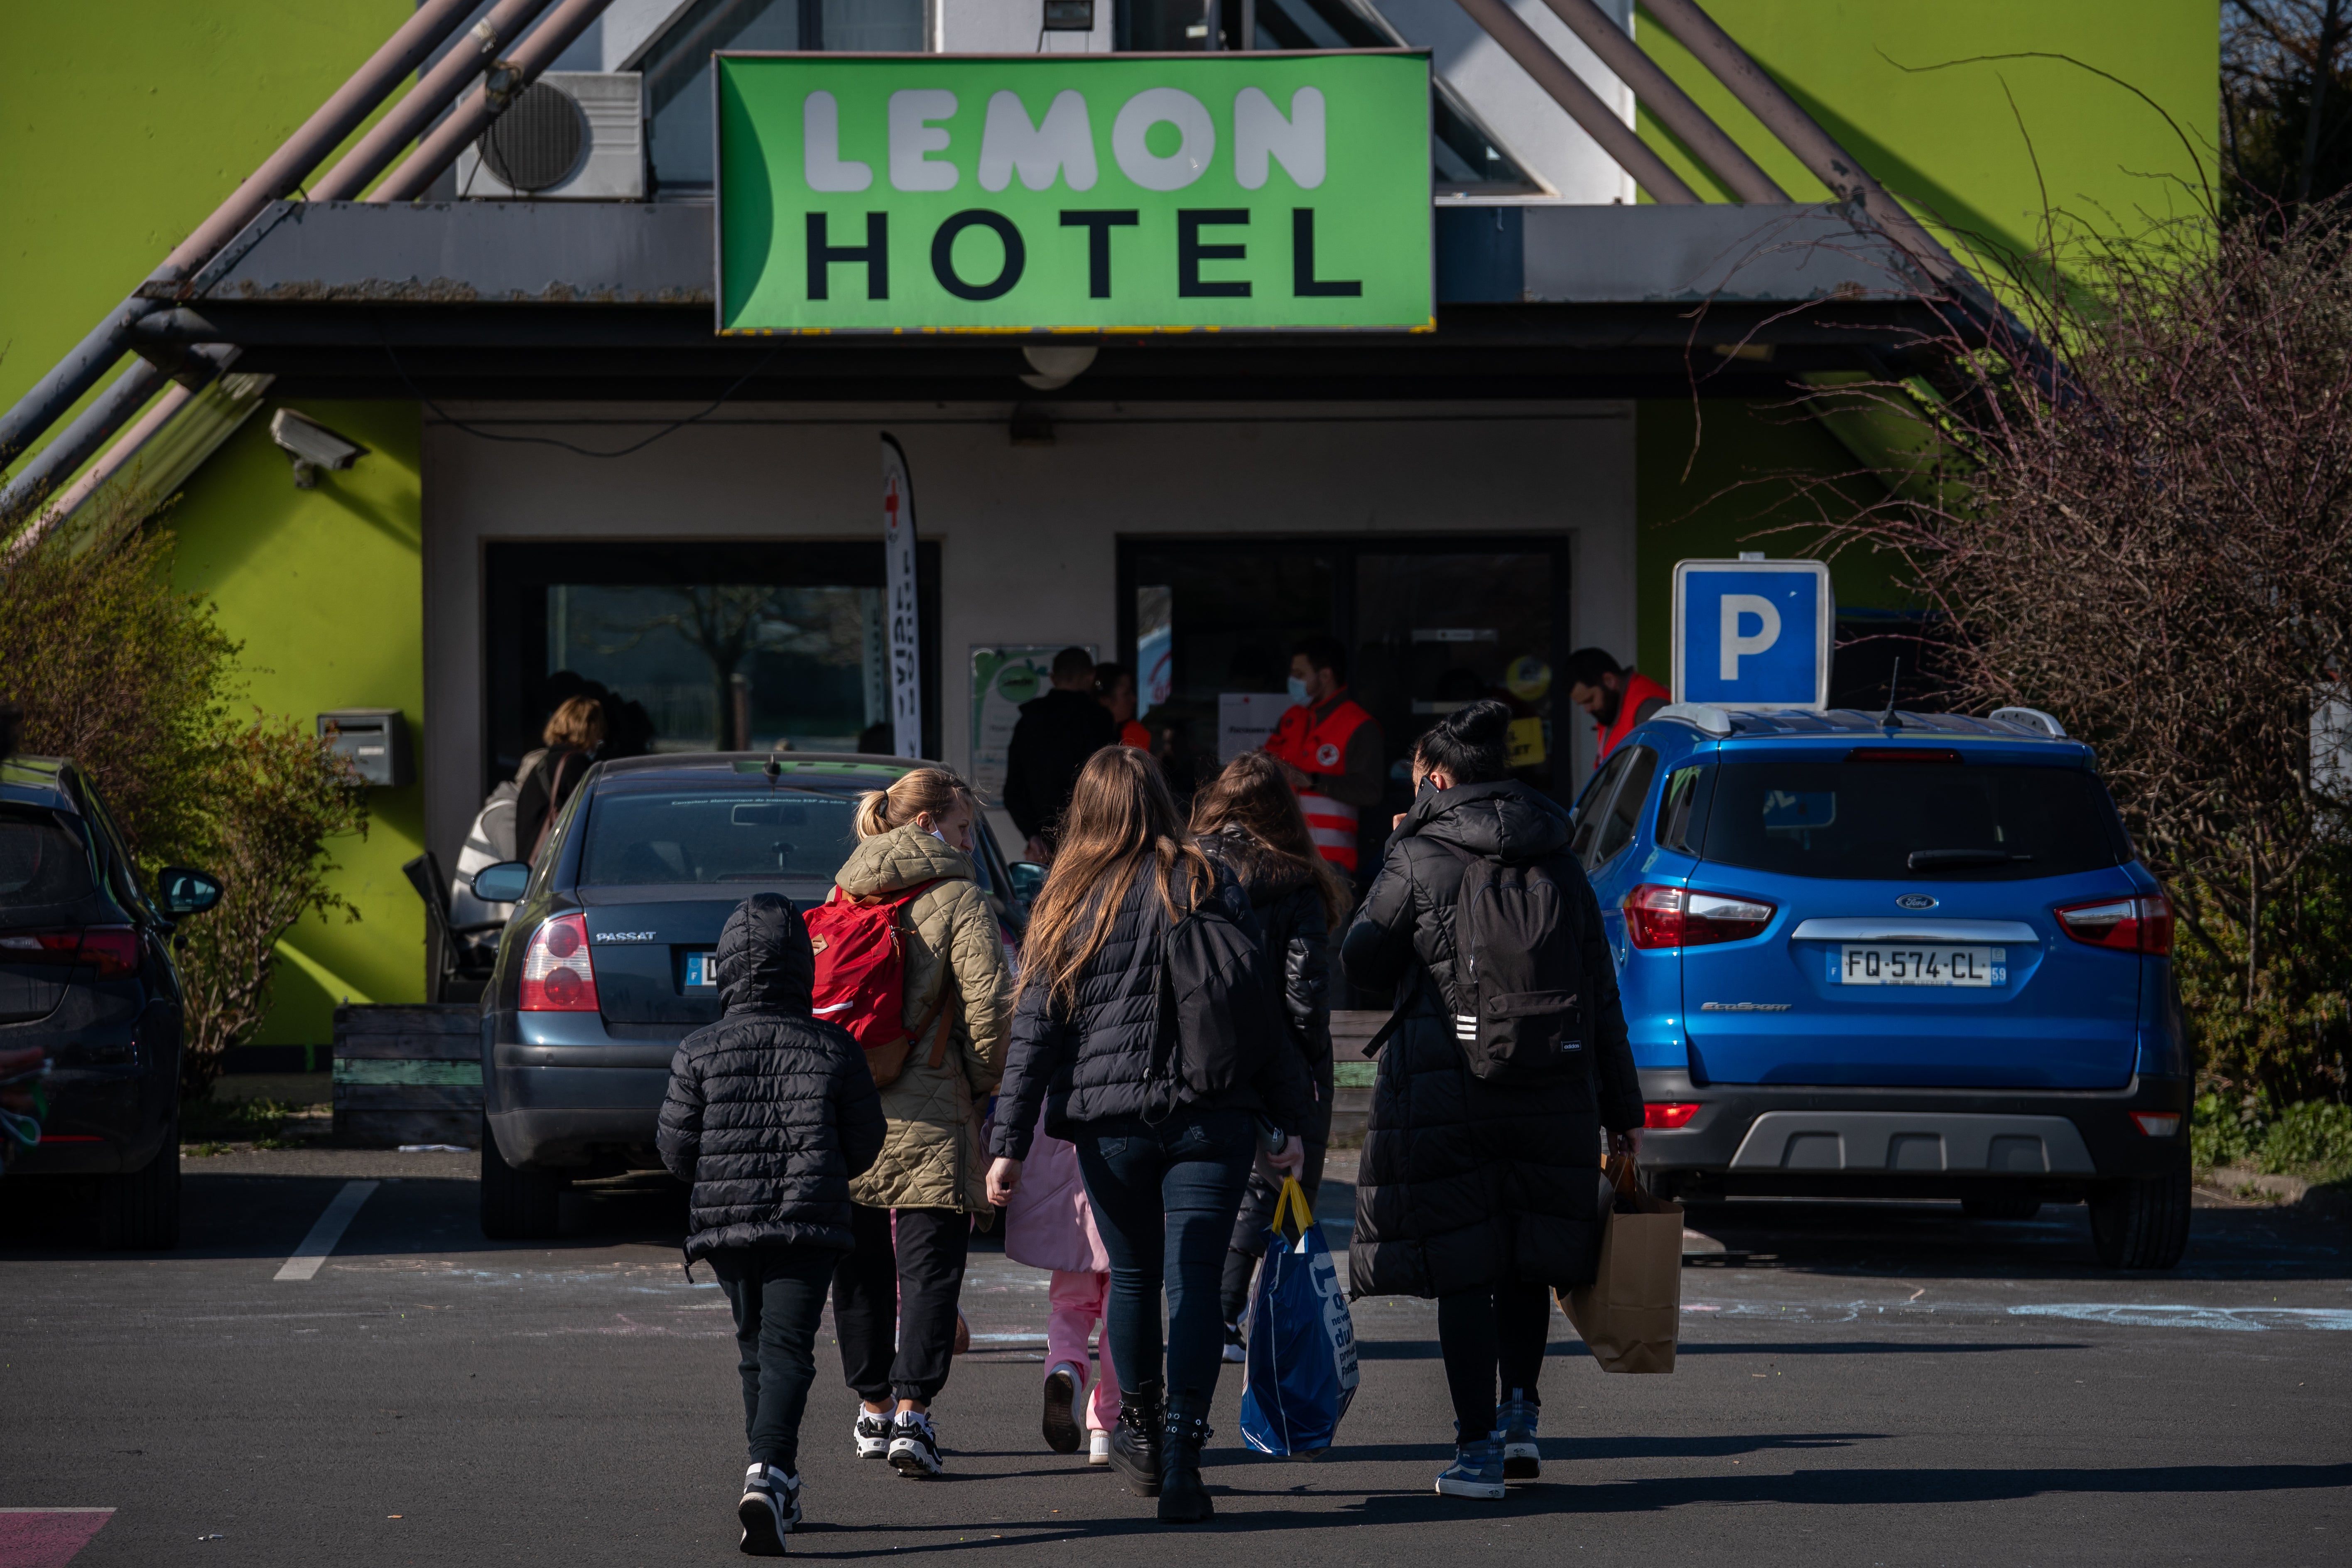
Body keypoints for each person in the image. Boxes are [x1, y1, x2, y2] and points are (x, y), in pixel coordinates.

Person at [986, 746, 1312, 1524]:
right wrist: (1286, 1121)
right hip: (1212, 1115)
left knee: (1130, 1280)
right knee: (1193, 1283)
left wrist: (1008, 1143)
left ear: (1087, 810)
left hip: (1110, 1123)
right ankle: (1183, 1453)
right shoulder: (1203, 879)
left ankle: (1136, 1430)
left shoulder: (1068, 897)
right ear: (1162, 803)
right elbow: (1256, 1009)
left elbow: (1033, 1029)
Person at [1343, 700, 1643, 1500]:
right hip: (1556, 1089)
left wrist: (1395, 848)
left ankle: (1473, 1451)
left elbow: (1360, 960)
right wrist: (1623, 1111)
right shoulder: (1560, 855)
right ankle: (1521, 1422)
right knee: (1526, 1261)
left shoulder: (1420, 857)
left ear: (1437, 780)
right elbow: (1599, 989)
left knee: (1463, 1270)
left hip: (1451, 1091)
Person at [657, 893, 888, 1557]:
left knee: (754, 1346)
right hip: (806, 1222)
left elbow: (675, 1150)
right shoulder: (834, 1046)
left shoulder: (698, 1049)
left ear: (727, 966)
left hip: (727, 1223)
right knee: (789, 1347)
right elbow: (866, 1142)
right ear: (801, 969)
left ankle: (773, 1475)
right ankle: (771, 1470)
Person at [828, 767, 1013, 1480]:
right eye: (965, 828)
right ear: (929, 825)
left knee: (860, 1266)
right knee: (930, 1268)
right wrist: (979, 1083)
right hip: (933, 1105)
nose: (970, 843)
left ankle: (872, 1409)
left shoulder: (843, 889)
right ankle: (914, 1416)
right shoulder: (961, 898)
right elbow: (990, 1012)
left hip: (850, 1106)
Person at [1189, 751, 1351, 1361]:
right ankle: (1228, 1313)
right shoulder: (1294, 879)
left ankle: (1205, 1312)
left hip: (1200, 1047)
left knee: (1203, 1187)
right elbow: (1305, 989)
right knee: (1277, 1181)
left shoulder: (1184, 869)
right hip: (1278, 1048)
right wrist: (1307, 1063)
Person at [1001, 1101, 1122, 1466]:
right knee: (1124, 1309)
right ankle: (1108, 1423)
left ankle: (1064, 1367)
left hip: (1067, 1197)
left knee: (1069, 1305)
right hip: (1123, 1173)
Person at [1262, 636, 1383, 877]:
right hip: (1281, 854)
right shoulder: (1291, 718)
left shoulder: (1360, 725)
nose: (1292, 681)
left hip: (1331, 863)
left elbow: (1371, 792)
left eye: (1300, 674)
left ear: (1325, 676)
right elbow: (1267, 767)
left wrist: (1313, 780)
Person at [1003, 647, 1119, 863]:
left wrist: (1033, 835)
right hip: (1093, 843)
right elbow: (1112, 783)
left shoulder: (1030, 721)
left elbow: (1013, 790)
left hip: (1045, 848)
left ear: (1053, 678)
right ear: (1091, 676)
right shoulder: (1099, 721)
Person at [514, 695, 603, 863]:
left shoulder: (542, 765)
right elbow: (587, 821)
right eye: (598, 730)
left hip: (532, 869)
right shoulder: (575, 764)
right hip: (556, 868)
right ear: (588, 728)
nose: (599, 739)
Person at [1565, 647, 1669, 769]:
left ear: (1609, 681)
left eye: (1590, 700)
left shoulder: (1647, 709)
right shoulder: (1611, 711)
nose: (1587, 710)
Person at [1093, 661, 1152, 750]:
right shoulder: (1088, 738)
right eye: (1127, 694)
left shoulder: (1136, 733)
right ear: (1105, 700)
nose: (1134, 699)